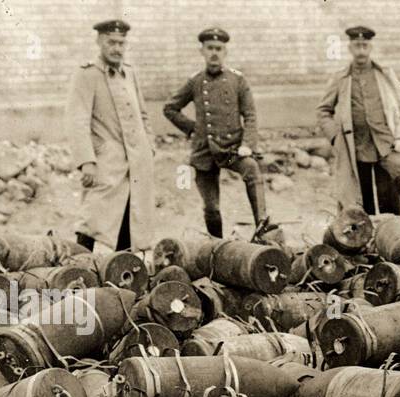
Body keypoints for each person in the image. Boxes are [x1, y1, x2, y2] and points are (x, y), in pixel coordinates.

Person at [316, 25, 400, 231]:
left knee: (398, 179)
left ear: (371, 47)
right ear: (350, 48)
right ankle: (365, 239)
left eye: (365, 46)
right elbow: (323, 111)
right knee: (360, 199)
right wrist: (336, 138)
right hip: (356, 146)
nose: (361, 51)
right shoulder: (341, 78)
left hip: (386, 143)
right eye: (357, 46)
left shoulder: (385, 75)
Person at [164, 27, 269, 239]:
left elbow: (250, 115)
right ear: (201, 51)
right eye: (210, 48)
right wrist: (192, 128)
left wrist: (247, 144)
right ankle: (218, 246)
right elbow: (170, 108)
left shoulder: (237, 80)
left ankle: (263, 229)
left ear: (225, 52)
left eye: (219, 49)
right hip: (205, 151)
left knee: (252, 170)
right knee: (211, 207)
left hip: (233, 149)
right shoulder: (195, 81)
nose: (214, 53)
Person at [65, 19, 155, 251]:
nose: (117, 48)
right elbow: (78, 121)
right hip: (106, 162)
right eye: (111, 42)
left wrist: (149, 146)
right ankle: (79, 269)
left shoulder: (130, 73)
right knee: (92, 220)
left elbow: (143, 114)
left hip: (136, 161)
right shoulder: (87, 74)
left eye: (121, 43)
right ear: (99, 41)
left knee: (130, 219)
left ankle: (121, 275)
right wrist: (86, 161)